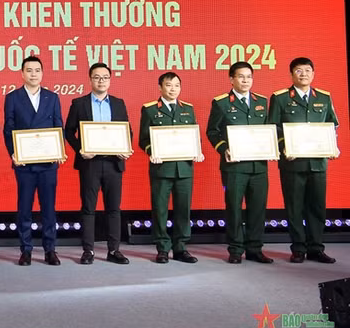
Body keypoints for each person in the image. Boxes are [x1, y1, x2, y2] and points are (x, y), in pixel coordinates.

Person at [268, 57, 339, 264]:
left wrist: (332, 146)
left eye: (308, 70)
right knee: (294, 206)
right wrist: (285, 147)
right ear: (291, 74)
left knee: (317, 206)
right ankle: (298, 248)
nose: (304, 74)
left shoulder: (324, 97)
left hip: (317, 162)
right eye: (299, 71)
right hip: (293, 162)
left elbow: (331, 125)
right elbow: (274, 127)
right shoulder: (280, 98)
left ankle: (316, 248)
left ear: (313, 74)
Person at [64, 62, 132, 265]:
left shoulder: (119, 103)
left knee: (113, 208)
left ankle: (114, 250)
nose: (101, 81)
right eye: (96, 77)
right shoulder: (79, 103)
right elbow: (69, 131)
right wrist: (80, 150)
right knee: (88, 208)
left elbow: (126, 130)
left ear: (110, 80)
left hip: (113, 163)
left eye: (105, 77)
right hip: (90, 164)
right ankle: (88, 250)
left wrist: (125, 148)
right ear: (90, 79)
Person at [206, 61, 273, 264]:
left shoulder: (262, 101)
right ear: (232, 79)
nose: (245, 80)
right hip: (234, 166)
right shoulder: (222, 102)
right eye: (241, 76)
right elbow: (212, 131)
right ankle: (235, 249)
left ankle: (255, 248)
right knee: (234, 207)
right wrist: (223, 148)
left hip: (259, 166)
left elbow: (269, 130)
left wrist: (271, 147)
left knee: (258, 208)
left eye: (249, 76)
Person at [3, 55, 65, 266]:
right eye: (29, 70)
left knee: (49, 208)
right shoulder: (12, 97)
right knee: (25, 208)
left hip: (48, 163)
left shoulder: (52, 97)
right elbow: (9, 129)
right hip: (24, 163)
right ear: (22, 73)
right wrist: (14, 153)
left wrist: (59, 149)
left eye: (37, 70)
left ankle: (50, 250)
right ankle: (26, 249)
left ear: (42, 73)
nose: (33, 74)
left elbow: (59, 127)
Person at [139, 72, 204, 264]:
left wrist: (197, 150)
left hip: (184, 168)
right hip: (161, 168)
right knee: (160, 209)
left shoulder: (188, 109)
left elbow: (194, 136)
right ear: (160, 87)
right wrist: (152, 151)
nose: (173, 89)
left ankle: (181, 248)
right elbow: (144, 139)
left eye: (177, 85)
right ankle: (162, 248)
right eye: (169, 85)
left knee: (183, 209)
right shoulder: (150, 109)